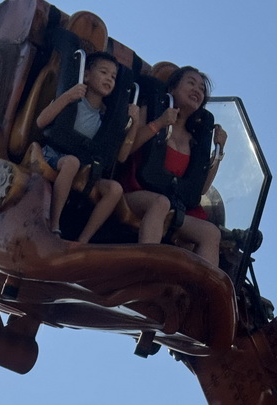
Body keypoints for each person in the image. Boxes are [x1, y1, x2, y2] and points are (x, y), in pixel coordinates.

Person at [118, 66, 227, 263]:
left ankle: (200, 290)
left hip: (174, 206)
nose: (197, 91)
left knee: (211, 233)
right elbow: (126, 150)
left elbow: (200, 189)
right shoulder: (150, 112)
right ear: (173, 88)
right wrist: (159, 123)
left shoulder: (193, 139)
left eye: (201, 89)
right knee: (160, 203)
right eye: (191, 83)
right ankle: (144, 267)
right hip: (136, 193)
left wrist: (218, 152)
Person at [36, 52, 138, 243]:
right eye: (104, 72)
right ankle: (54, 223)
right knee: (71, 163)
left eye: (113, 76)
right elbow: (41, 122)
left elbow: (122, 156)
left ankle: (83, 240)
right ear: (87, 75)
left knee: (115, 189)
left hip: (88, 167)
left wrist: (134, 123)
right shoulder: (74, 101)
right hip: (55, 155)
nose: (109, 78)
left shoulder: (107, 118)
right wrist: (67, 96)